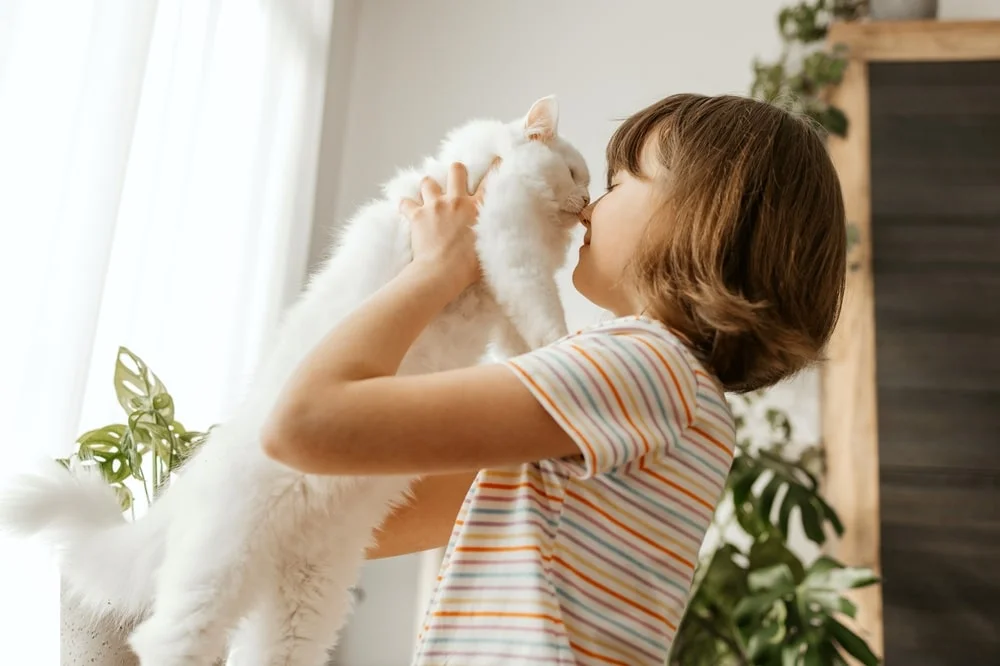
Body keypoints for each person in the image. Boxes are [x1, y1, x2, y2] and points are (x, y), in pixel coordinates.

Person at [262, 93, 847, 665]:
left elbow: (301, 423)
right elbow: (377, 518)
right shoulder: (659, 392)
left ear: (707, 215)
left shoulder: (647, 366)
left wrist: (434, 270)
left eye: (619, 183)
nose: (589, 207)